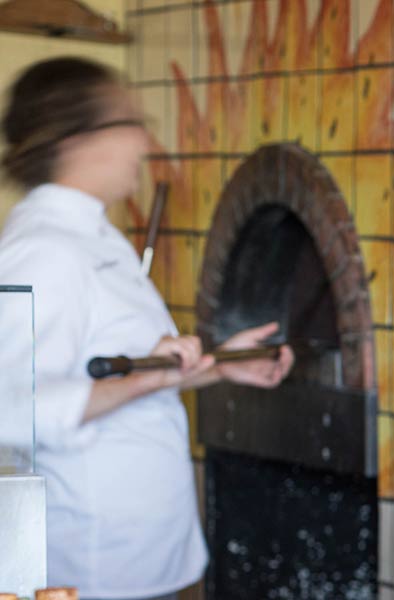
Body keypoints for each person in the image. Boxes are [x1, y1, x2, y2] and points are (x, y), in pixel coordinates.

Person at [0, 57, 293, 599]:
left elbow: (130, 374)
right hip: (90, 565)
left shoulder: (93, 235)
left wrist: (225, 363)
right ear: (80, 138)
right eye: (130, 123)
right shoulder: (44, 250)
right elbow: (11, 407)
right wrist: (143, 381)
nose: (144, 141)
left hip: (140, 552)